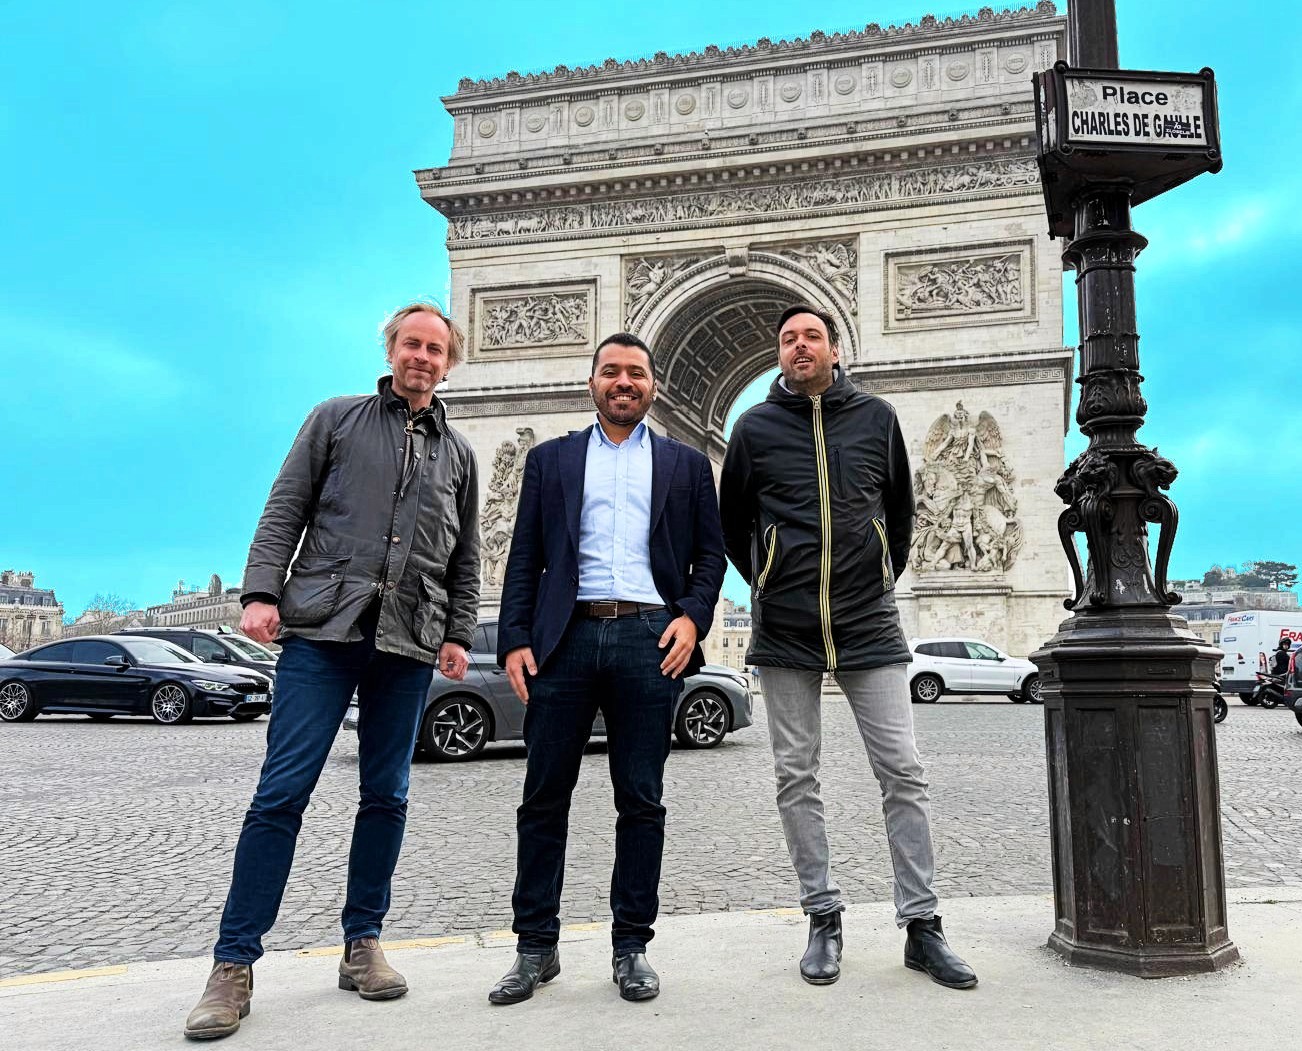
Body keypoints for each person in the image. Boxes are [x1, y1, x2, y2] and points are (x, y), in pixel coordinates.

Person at [184, 302, 481, 1041]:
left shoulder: (463, 453)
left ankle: (363, 942)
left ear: (451, 361)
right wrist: (259, 592)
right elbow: (285, 506)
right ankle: (233, 963)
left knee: (388, 794)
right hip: (322, 631)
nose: (422, 356)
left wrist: (457, 632)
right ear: (391, 349)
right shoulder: (335, 418)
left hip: (409, 640)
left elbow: (466, 554)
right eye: (411, 343)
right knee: (281, 792)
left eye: (435, 348)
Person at [719, 304, 977, 990]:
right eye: (786, 339)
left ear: (835, 348)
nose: (799, 346)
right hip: (785, 628)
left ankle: (923, 925)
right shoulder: (752, 429)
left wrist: (874, 570)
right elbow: (732, 522)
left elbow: (901, 509)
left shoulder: (878, 418)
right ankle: (822, 916)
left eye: (811, 336)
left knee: (904, 771)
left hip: (869, 622)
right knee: (795, 776)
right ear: (778, 354)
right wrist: (772, 576)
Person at [488, 333, 725, 1006]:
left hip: (650, 636)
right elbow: (523, 555)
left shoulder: (686, 464)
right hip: (563, 639)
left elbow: (711, 556)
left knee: (641, 799)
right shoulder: (548, 459)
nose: (625, 382)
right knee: (542, 799)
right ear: (591, 381)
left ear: (655, 386)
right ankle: (535, 946)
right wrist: (513, 638)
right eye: (612, 371)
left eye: (637, 373)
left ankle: (632, 946)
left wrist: (692, 617)